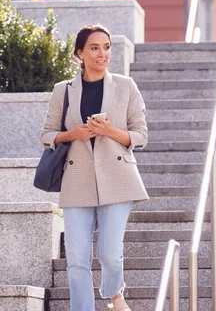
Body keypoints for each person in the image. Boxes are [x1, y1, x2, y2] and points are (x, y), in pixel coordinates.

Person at [40, 24, 149, 310]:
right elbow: (47, 134)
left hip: (118, 178)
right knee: (76, 257)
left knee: (111, 253)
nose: (103, 54)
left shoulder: (126, 86)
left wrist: (111, 131)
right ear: (80, 53)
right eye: (95, 47)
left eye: (107, 47)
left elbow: (141, 135)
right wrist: (70, 135)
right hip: (76, 179)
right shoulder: (62, 90)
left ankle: (115, 295)